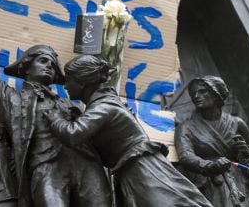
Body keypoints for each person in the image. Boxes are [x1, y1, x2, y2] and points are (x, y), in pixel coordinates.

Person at [0, 0, 111, 207]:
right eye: (43, 60)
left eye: (52, 64)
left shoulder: (72, 103)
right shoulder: (11, 99)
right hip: (47, 168)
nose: (49, 66)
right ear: (26, 68)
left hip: (86, 164)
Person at [45, 55, 212, 207]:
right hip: (131, 168)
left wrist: (55, 118)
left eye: (69, 80)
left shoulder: (104, 106)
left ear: (82, 81)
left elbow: (73, 134)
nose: (65, 86)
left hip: (142, 168)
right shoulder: (103, 103)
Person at [174, 76, 249, 207]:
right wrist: (210, 166)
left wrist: (246, 151)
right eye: (194, 93)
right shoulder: (186, 127)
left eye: (203, 91)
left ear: (216, 94)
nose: (196, 96)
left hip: (243, 183)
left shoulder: (237, 123)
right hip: (214, 182)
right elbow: (185, 156)